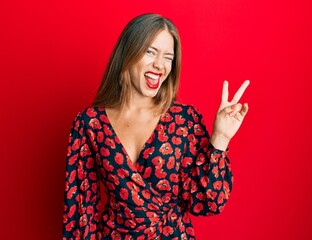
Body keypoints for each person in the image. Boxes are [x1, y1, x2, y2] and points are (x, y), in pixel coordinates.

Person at [62, 13, 249, 240]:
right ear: (127, 53)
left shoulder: (184, 120)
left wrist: (220, 138)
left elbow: (207, 202)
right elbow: (81, 211)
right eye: (151, 52)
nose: (160, 65)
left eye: (168, 57)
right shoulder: (90, 124)